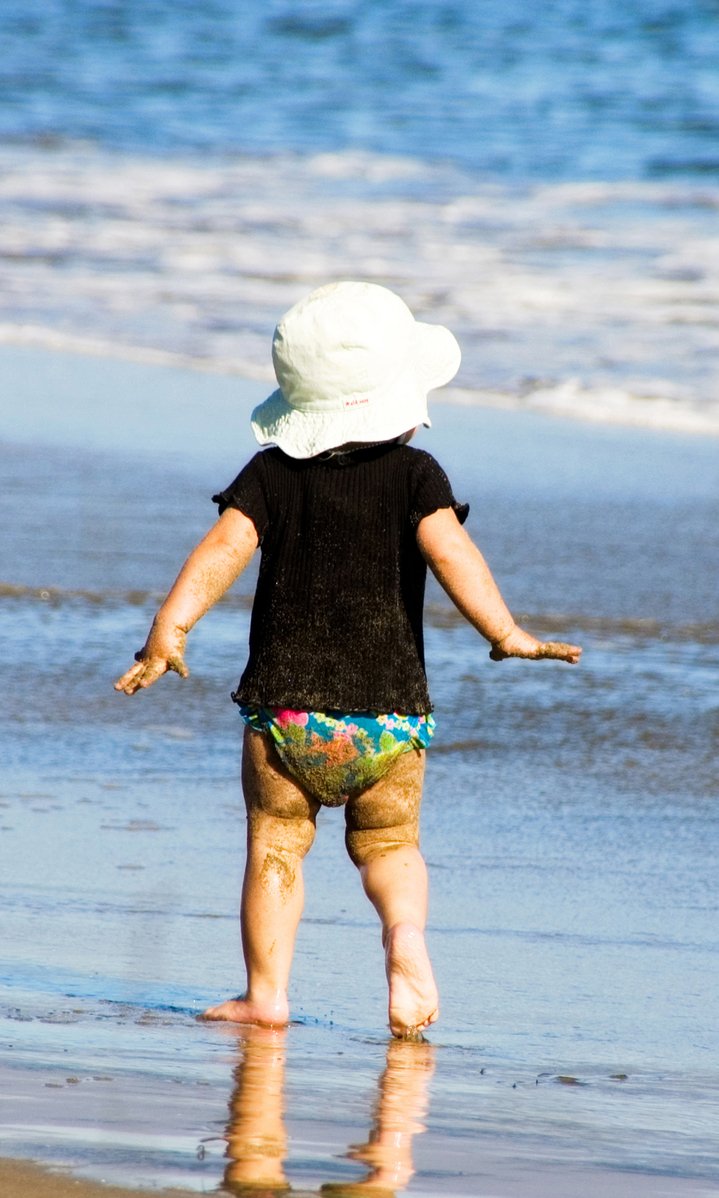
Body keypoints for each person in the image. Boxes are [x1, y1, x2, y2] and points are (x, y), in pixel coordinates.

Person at [115, 281, 581, 1039]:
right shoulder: (417, 475)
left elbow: (221, 552)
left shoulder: (268, 476)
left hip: (287, 713)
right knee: (389, 845)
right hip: (389, 719)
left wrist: (169, 632)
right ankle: (404, 939)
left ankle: (265, 995)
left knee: (276, 846)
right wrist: (505, 632)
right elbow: (452, 552)